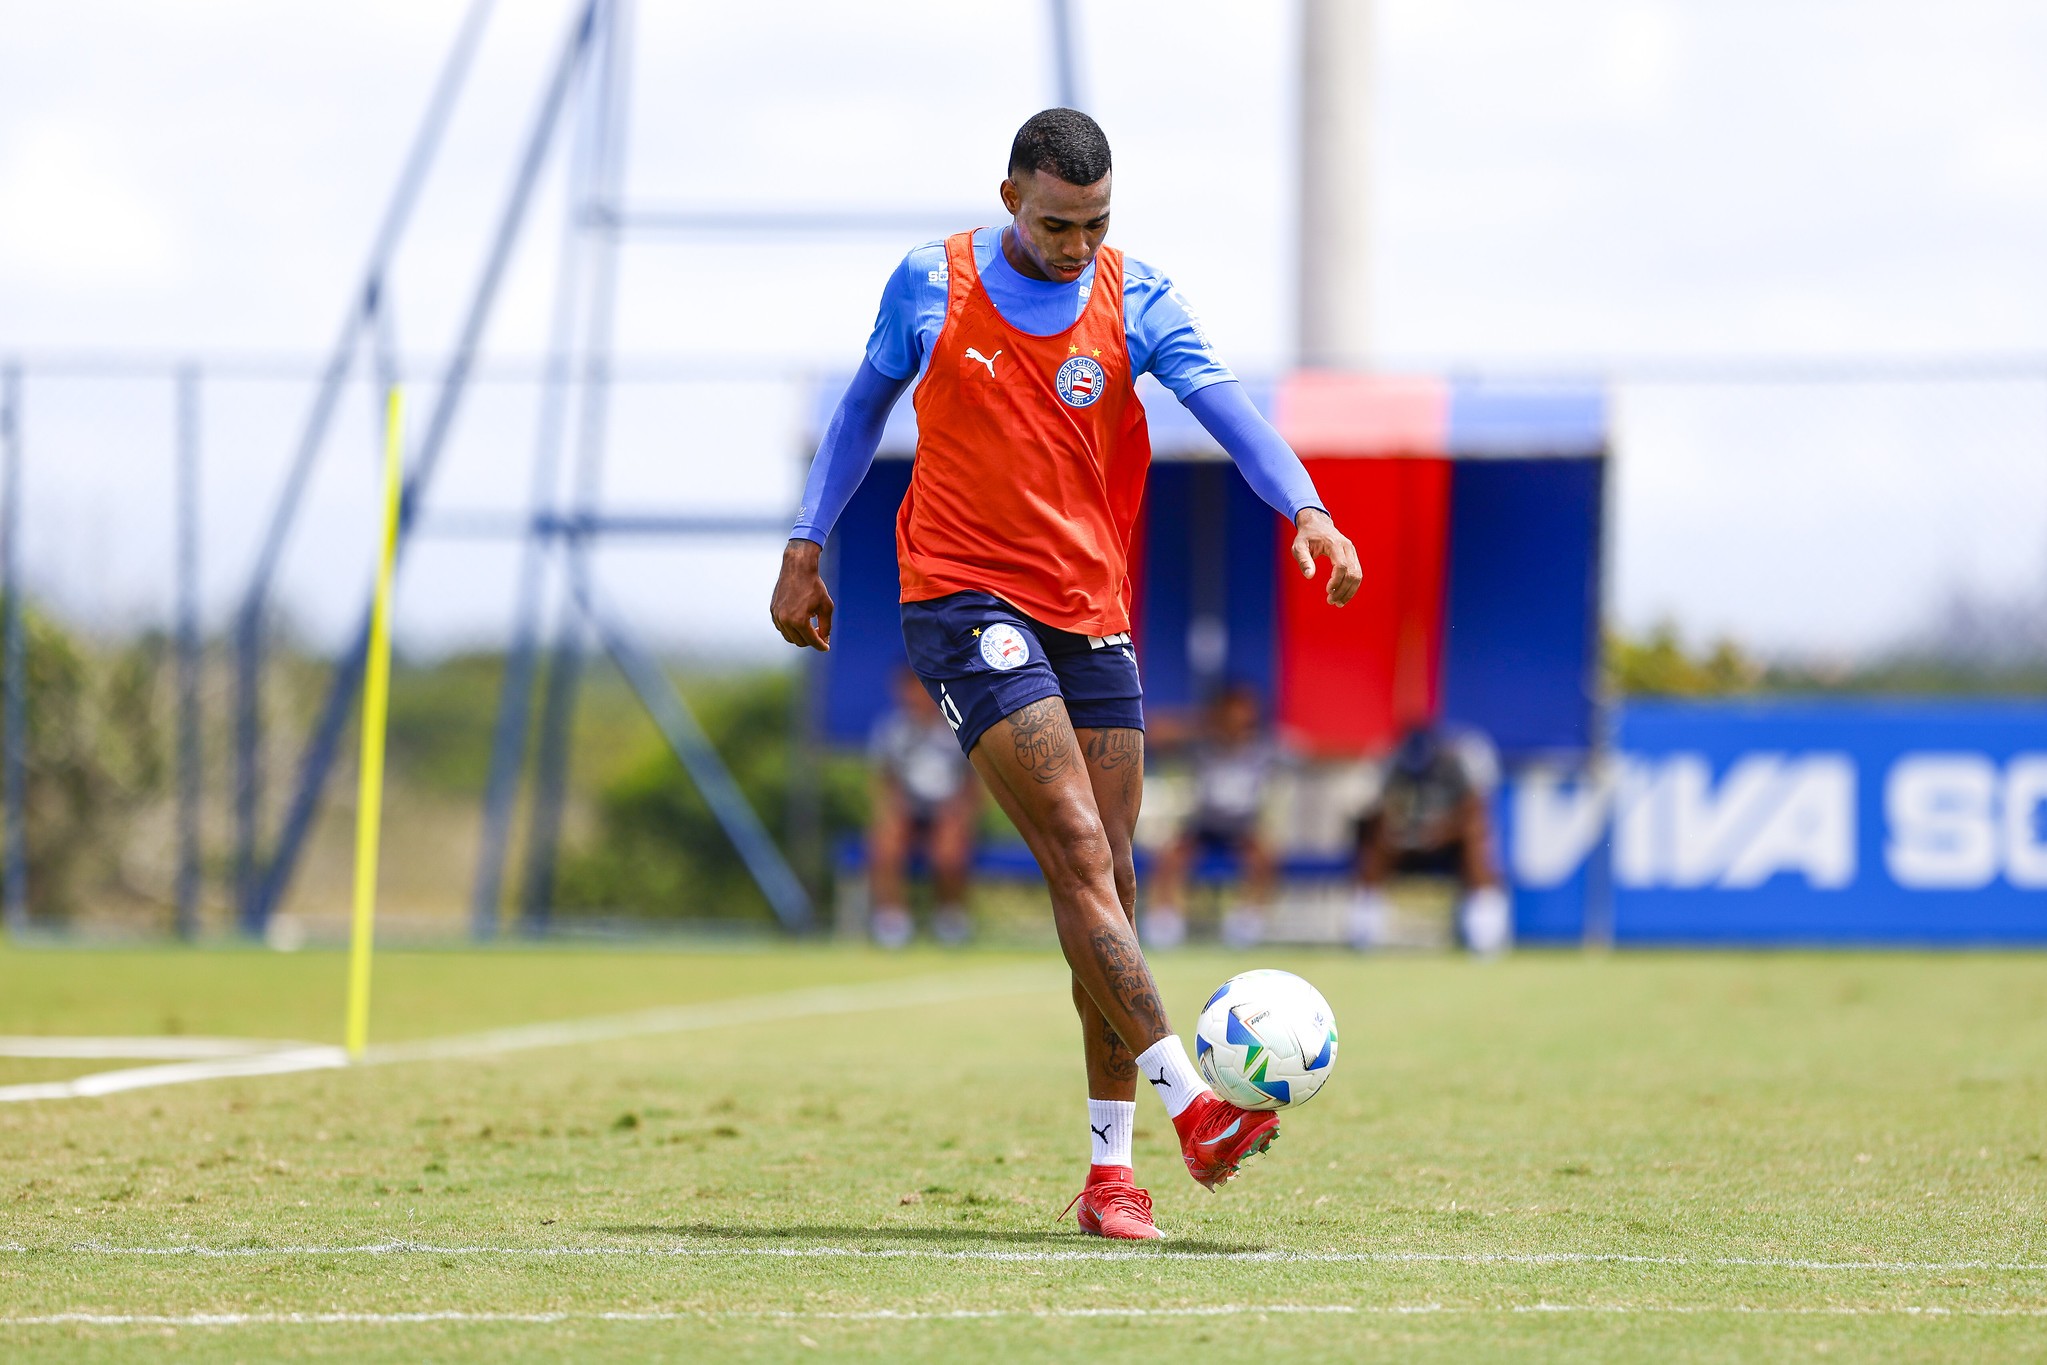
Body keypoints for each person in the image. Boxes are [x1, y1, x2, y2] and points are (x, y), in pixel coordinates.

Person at [769, 109, 1363, 1240]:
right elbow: (858, 415)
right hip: (959, 599)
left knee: (1113, 891)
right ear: (1009, 200)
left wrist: (1311, 511)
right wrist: (806, 544)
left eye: (1095, 224)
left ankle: (1109, 1176)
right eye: (1054, 224)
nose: (1075, 245)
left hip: (1090, 614)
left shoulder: (1136, 297)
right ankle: (1194, 1108)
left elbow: (1232, 414)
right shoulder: (928, 283)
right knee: (1078, 851)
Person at [1143, 683, 1289, 951]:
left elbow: (1306, 752)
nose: (1238, 719)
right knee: (1171, 855)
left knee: (1265, 855)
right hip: (1205, 825)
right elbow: (1156, 731)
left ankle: (1248, 920)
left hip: (1243, 827)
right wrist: (1203, 722)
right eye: (1231, 712)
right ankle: (1165, 920)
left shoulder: (1264, 748)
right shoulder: (1201, 744)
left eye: (1244, 713)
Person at [1349, 724, 1512, 955]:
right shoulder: (1391, 762)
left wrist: (1440, 832)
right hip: (1405, 843)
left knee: (1476, 843)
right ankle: (1364, 934)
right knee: (1376, 848)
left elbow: (1475, 811)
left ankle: (1485, 939)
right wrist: (1398, 830)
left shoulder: (1459, 761)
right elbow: (1375, 809)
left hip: (1449, 844)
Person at [867, 667, 980, 948]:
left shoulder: (957, 728)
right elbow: (883, 782)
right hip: (908, 811)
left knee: (949, 850)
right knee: (886, 841)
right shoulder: (891, 730)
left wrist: (961, 815)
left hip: (948, 810)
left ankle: (950, 918)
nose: (915, 696)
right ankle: (892, 921)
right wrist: (891, 811)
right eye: (908, 688)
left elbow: (973, 785)